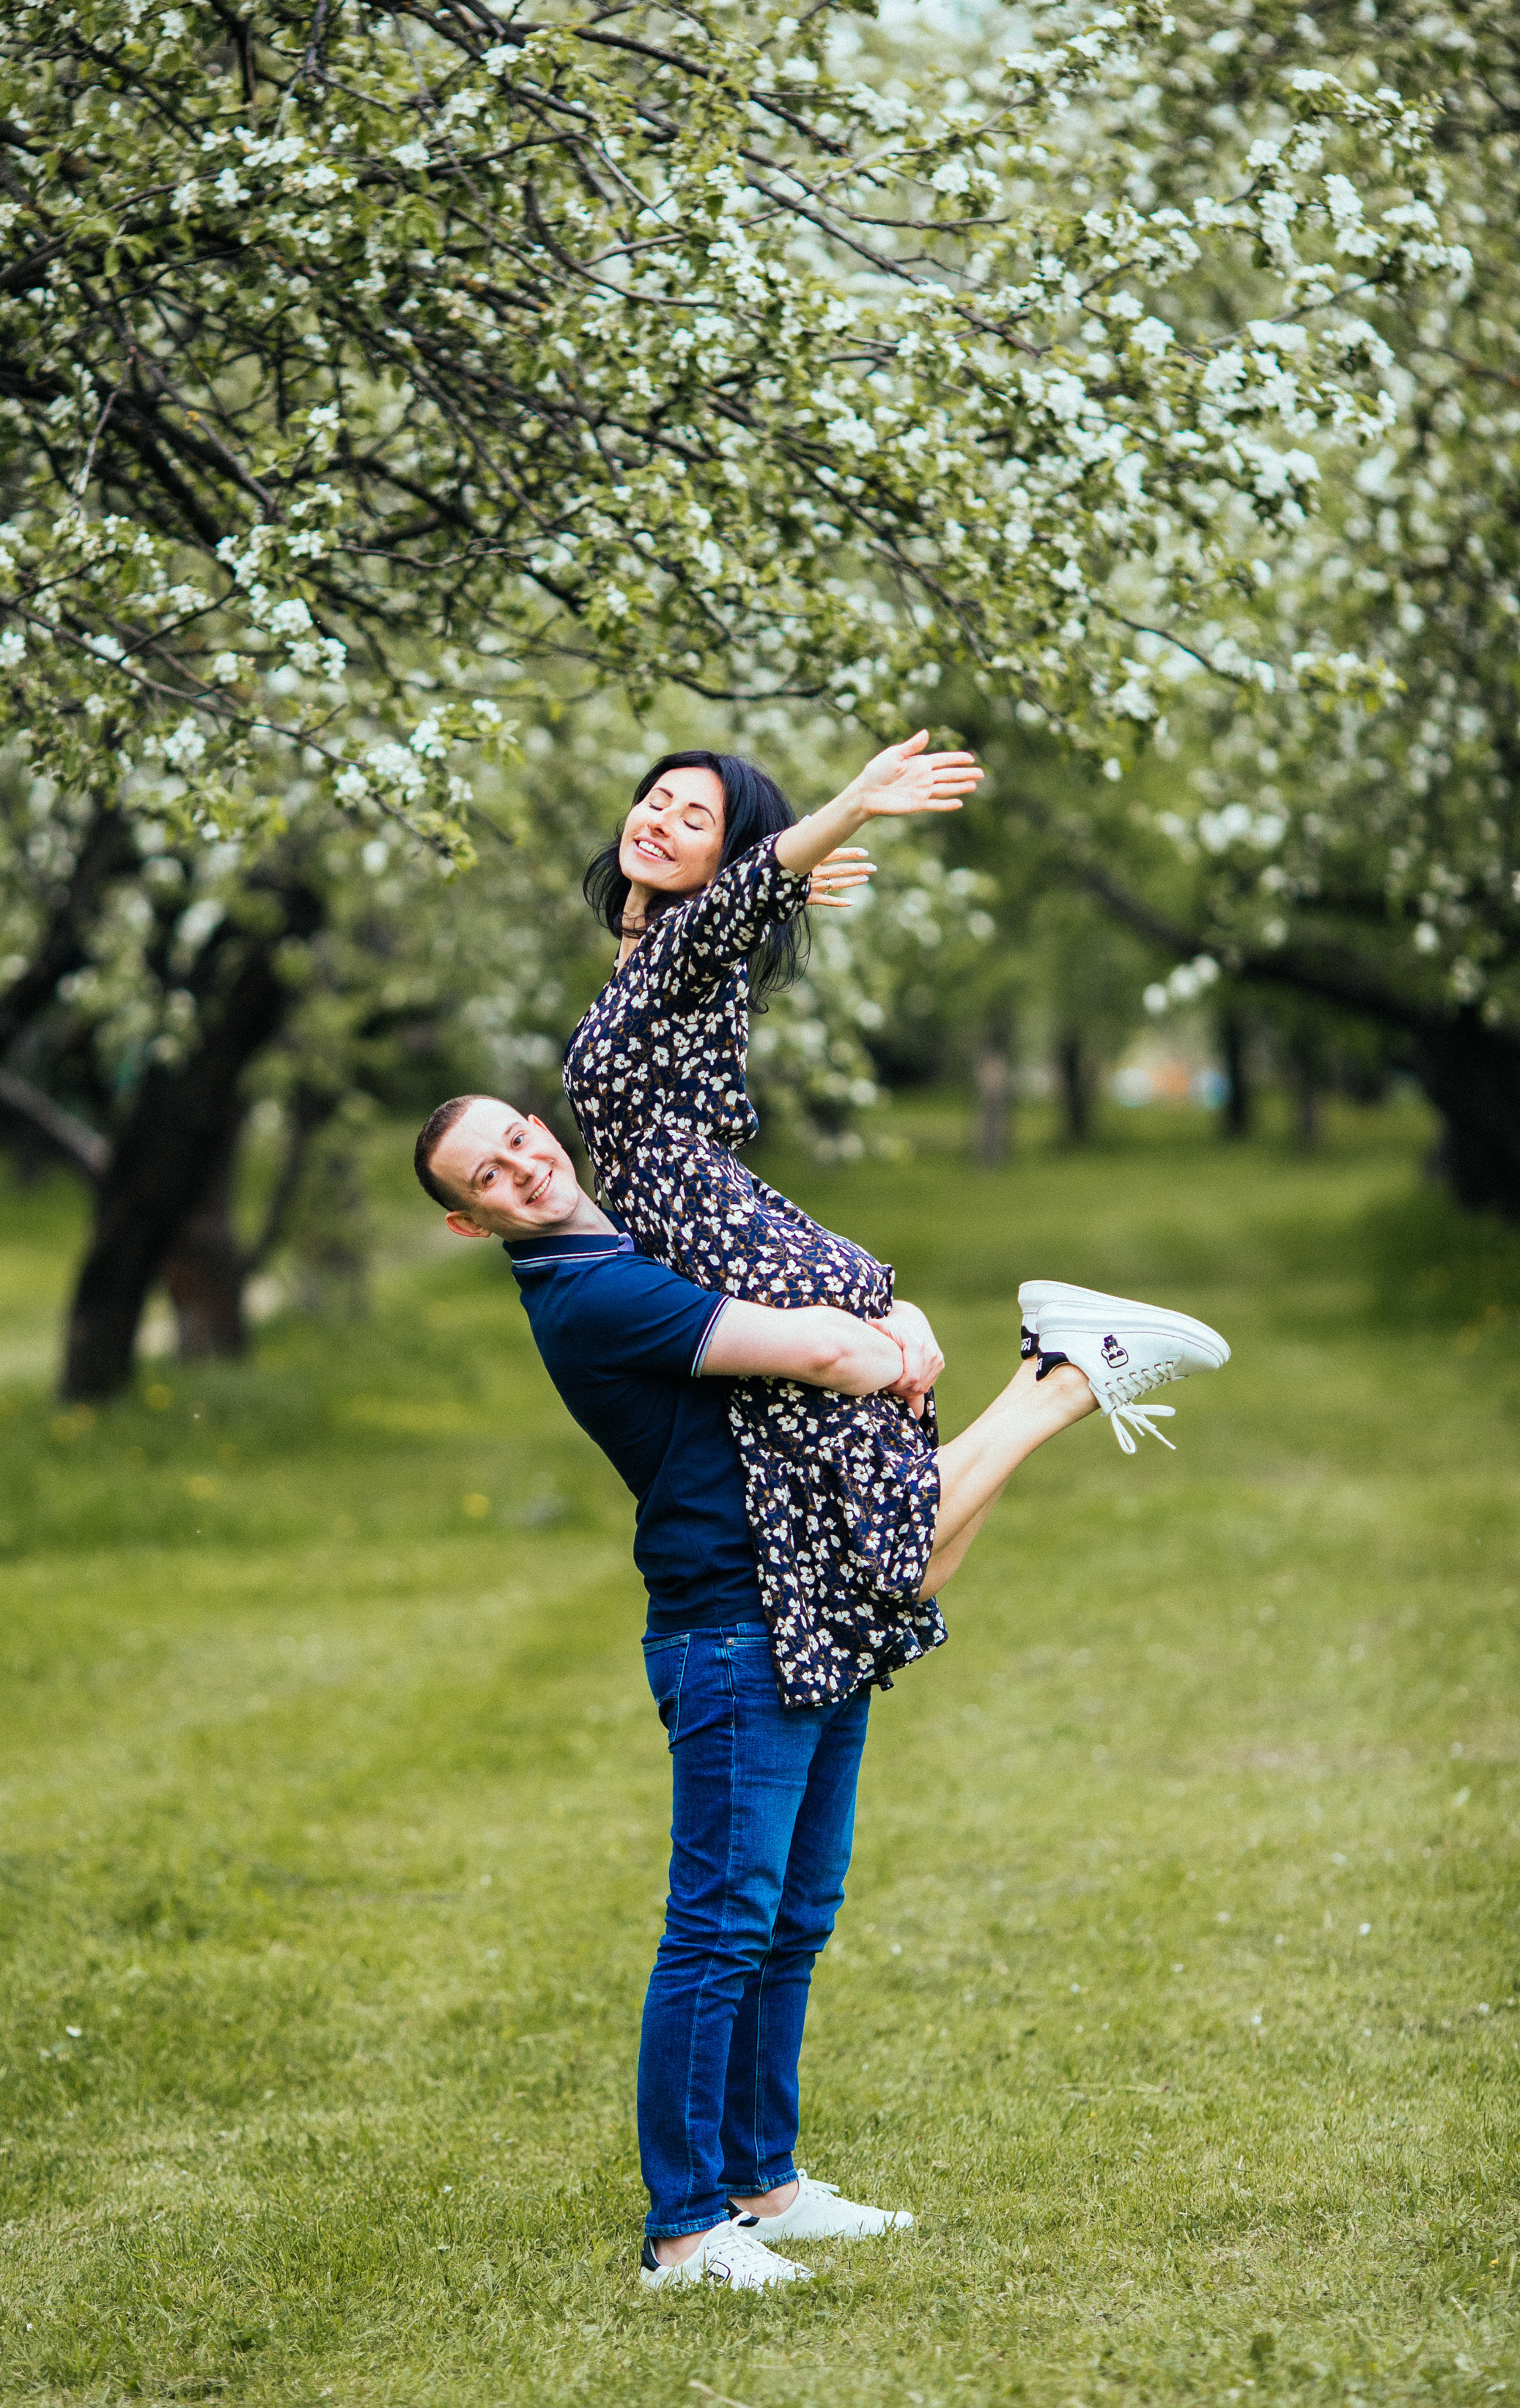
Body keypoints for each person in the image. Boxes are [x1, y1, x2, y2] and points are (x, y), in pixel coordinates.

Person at [413, 1095, 1223, 2291]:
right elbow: (827, 1353)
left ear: (543, 1124)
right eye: (488, 1176)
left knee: (793, 1916)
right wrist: (891, 1334)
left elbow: (794, 1278)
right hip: (732, 1628)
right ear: (469, 1224)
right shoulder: (592, 1294)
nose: (523, 1169)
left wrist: (896, 1315)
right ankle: (684, 2233)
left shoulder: (637, 1232)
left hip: (799, 1602)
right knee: (719, 1928)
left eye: (519, 1140)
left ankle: (765, 2187)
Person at [563, 732, 1230, 1713]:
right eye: (656, 800)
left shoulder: (683, 955)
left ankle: (1069, 1377)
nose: (660, 822)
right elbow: (733, 907)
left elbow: (739, 900)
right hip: (746, 1253)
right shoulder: (656, 963)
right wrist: (776, 889)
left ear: (725, 861)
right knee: (888, 1570)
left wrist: (846, 812)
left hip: (747, 1263)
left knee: (892, 1549)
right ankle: (1058, 1366)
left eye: (695, 819)